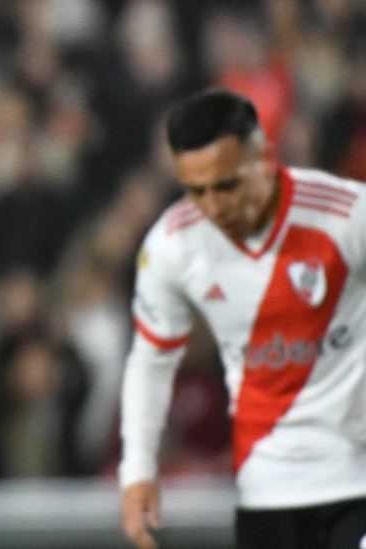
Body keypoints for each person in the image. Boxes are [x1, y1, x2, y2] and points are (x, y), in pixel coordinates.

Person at [120, 88, 366, 549]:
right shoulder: (173, 246)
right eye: (197, 190)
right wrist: (137, 469)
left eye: (227, 185)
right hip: (264, 492)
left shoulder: (346, 216)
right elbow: (151, 361)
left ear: (264, 158)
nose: (214, 206)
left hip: (357, 481)